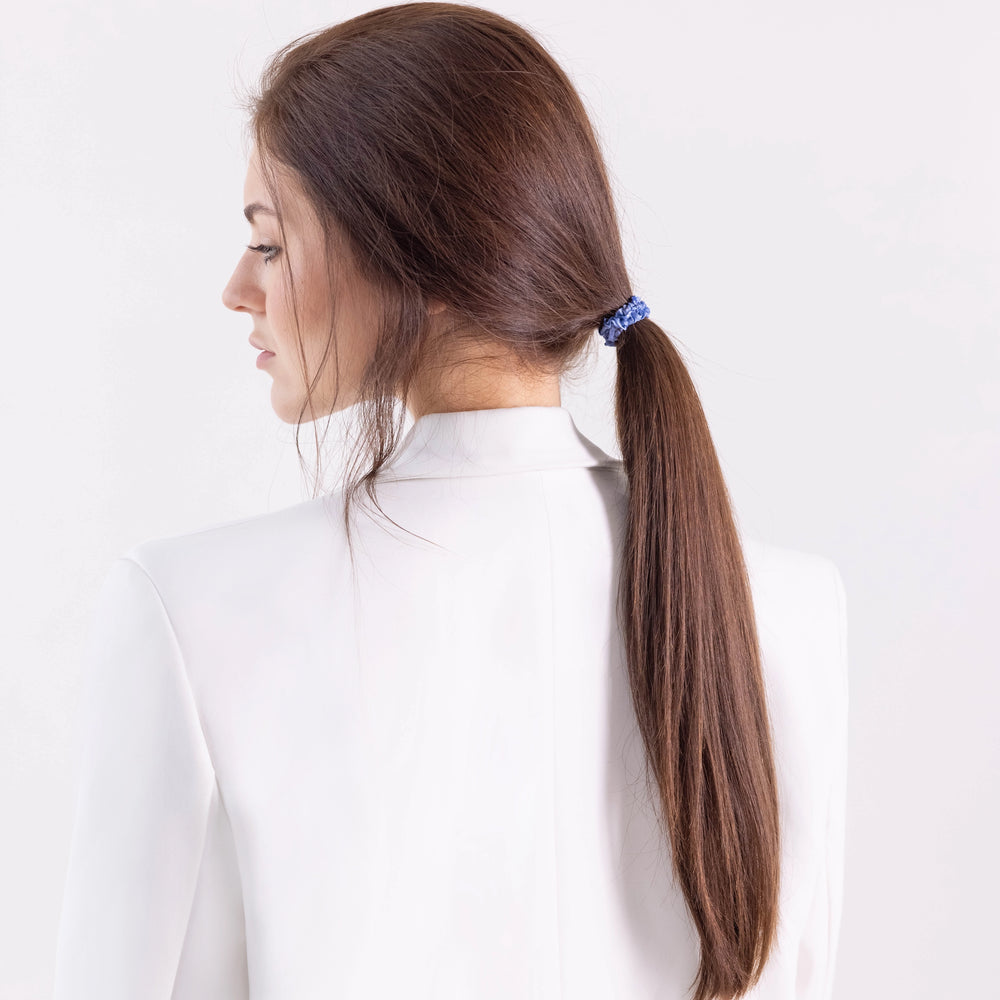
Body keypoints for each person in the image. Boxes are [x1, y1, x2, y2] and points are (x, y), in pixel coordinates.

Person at [52, 4, 848, 998]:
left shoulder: (185, 609)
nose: (235, 289)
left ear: (412, 260)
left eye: (267, 241)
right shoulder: (788, 609)